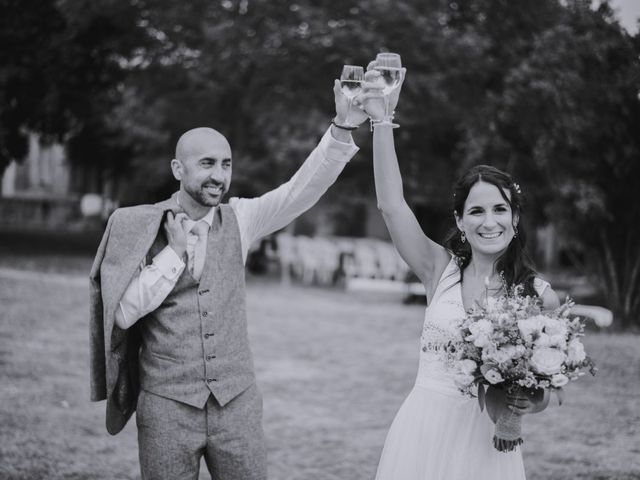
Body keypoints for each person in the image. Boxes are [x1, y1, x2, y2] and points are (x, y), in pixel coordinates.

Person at [89, 80, 368, 479]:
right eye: (207, 164)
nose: (219, 175)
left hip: (236, 404)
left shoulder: (241, 219)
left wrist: (342, 126)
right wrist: (174, 255)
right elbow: (121, 314)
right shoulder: (140, 226)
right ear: (178, 168)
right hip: (167, 406)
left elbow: (301, 190)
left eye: (226, 164)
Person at [359, 64, 556, 480]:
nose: (490, 222)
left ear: (516, 219)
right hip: (422, 430)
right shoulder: (438, 270)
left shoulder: (539, 294)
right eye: (477, 211)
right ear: (461, 221)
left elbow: (545, 392)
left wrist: (524, 404)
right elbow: (391, 205)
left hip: (486, 445)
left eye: (500, 209)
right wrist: (382, 120)